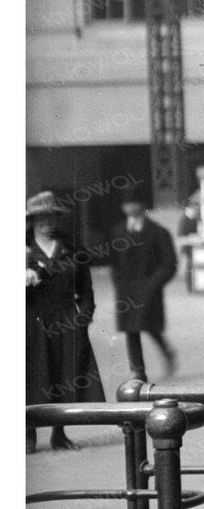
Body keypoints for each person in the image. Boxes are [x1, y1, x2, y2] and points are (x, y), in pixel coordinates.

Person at [27, 190, 104, 451]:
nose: (45, 223)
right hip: (31, 323)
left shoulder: (71, 250)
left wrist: (82, 318)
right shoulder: (19, 252)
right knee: (32, 375)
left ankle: (59, 432)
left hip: (65, 319)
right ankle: (29, 432)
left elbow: (85, 289)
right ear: (31, 222)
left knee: (62, 374)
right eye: (39, 219)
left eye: (50, 218)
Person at [101, 196, 179, 381]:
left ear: (142, 204)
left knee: (149, 325)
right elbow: (114, 262)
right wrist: (118, 283)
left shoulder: (158, 232)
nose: (130, 207)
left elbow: (170, 263)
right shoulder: (117, 231)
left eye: (134, 202)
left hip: (149, 286)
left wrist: (153, 284)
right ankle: (138, 370)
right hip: (126, 289)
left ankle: (166, 351)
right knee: (131, 329)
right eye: (126, 203)